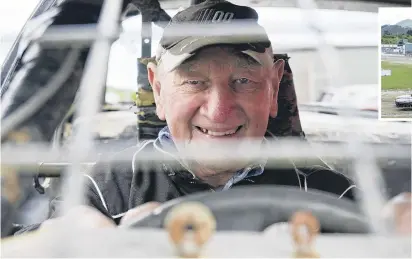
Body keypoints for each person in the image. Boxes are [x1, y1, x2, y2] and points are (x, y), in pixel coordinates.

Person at [14, 0, 410, 234]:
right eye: (193, 82)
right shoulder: (100, 191)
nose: (219, 111)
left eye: (243, 80)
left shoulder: (332, 195)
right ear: (158, 89)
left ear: (273, 89)